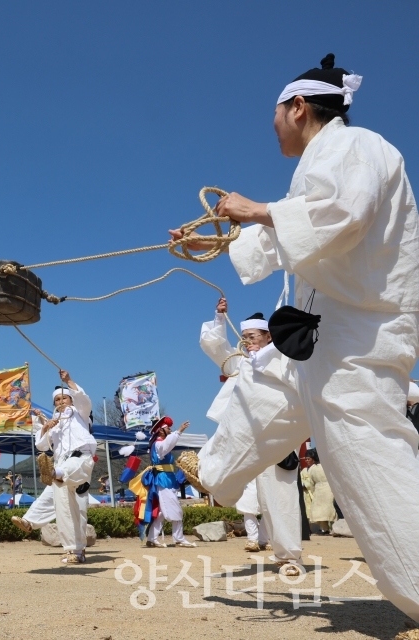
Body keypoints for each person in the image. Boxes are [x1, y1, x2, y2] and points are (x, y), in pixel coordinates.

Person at [171, 53, 419, 617]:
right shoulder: (320, 163)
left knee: (366, 460)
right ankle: (214, 472)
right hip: (317, 334)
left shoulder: (358, 147)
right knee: (265, 395)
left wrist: (256, 210)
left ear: (298, 107)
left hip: (359, 336)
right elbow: (292, 235)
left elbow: (340, 214)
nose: (273, 126)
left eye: (275, 114)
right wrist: (216, 237)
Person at [193, 298, 304, 571]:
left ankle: (289, 557)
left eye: (252, 336)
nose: (247, 342)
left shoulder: (286, 360)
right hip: (243, 441)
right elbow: (214, 347)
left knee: (280, 498)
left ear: (269, 336)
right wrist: (220, 319)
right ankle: (207, 476)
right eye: (243, 337)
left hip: (276, 438)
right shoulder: (241, 363)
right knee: (248, 499)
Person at [33, 369, 95, 564]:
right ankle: (75, 551)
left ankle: (53, 472)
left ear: (70, 400)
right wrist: (45, 428)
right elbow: (41, 446)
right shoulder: (55, 423)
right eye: (57, 400)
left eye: (64, 398)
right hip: (61, 462)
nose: (61, 402)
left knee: (80, 506)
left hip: (81, 459)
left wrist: (68, 381)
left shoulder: (80, 414)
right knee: (65, 509)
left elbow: (84, 400)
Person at [145, 417, 196, 549]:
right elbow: (168, 444)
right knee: (176, 509)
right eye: (167, 427)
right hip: (163, 479)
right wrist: (179, 431)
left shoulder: (159, 443)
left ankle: (152, 538)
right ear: (160, 430)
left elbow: (168, 444)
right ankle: (179, 538)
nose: (170, 429)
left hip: (167, 478)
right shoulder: (158, 444)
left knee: (162, 512)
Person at [235, 480, 270, 553]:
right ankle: (253, 540)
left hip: (266, 478)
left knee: (269, 510)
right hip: (249, 479)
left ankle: (261, 541)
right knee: (248, 509)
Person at [305, 450, 336, 534]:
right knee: (331, 510)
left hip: (318, 489)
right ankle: (334, 529)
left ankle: (325, 529)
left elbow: (311, 483)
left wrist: (313, 491)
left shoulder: (312, 468)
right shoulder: (327, 465)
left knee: (320, 511)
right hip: (329, 488)